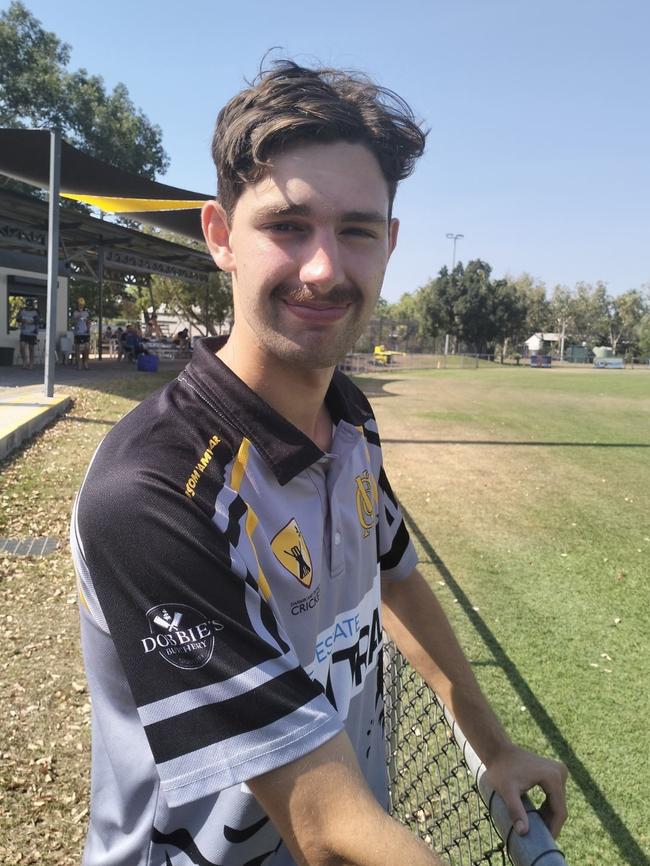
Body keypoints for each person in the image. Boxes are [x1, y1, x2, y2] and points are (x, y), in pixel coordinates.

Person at [71, 61, 567, 866]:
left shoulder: (351, 420)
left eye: (358, 231)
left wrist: (493, 743)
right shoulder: (152, 492)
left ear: (391, 245)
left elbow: (397, 575)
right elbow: (329, 831)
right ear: (222, 237)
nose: (325, 269)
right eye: (288, 226)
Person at [16, 297, 40, 369]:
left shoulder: (36, 311)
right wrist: (22, 320)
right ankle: (24, 361)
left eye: (30, 305)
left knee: (31, 348)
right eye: (27, 305)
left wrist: (32, 321)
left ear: (32, 305)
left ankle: (31, 363)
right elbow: (17, 319)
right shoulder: (22, 310)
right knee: (22, 346)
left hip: (32, 332)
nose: (29, 307)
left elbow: (39, 320)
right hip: (24, 331)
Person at [72, 296, 91, 370]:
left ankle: (85, 362)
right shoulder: (75, 312)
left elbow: (89, 322)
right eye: (79, 304)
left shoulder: (86, 312)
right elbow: (73, 321)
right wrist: (78, 317)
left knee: (86, 347)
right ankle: (78, 364)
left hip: (85, 332)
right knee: (78, 348)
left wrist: (88, 328)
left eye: (82, 304)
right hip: (78, 332)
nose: (81, 305)